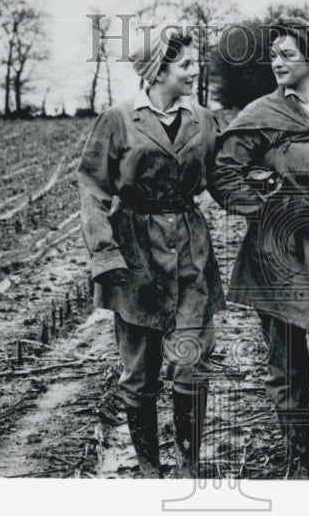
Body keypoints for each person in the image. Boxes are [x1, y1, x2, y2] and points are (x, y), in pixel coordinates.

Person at [210, 16, 309, 478]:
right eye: (272, 55)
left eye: (286, 54)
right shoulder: (261, 114)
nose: (275, 62)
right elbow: (223, 173)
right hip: (277, 252)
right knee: (287, 360)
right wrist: (262, 209)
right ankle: (297, 449)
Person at [77, 24, 225, 478]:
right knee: (140, 372)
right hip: (137, 253)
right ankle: (148, 468)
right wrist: (104, 254)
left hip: (190, 250)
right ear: (158, 71)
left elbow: (221, 180)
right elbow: (93, 187)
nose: (194, 71)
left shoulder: (203, 119)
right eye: (186, 65)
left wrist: (271, 199)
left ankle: (188, 467)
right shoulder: (119, 119)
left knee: (192, 361)